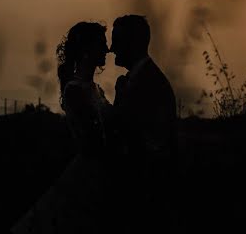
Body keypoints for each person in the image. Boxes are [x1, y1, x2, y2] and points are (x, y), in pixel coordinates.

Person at [12, 22, 114, 234]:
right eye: (101, 45)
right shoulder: (75, 90)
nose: (107, 50)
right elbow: (92, 139)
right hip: (88, 173)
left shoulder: (96, 89)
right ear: (87, 50)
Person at [107, 15, 178, 228]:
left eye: (116, 41)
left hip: (145, 194)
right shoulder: (138, 79)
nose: (111, 49)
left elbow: (151, 143)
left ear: (133, 43)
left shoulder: (153, 83)